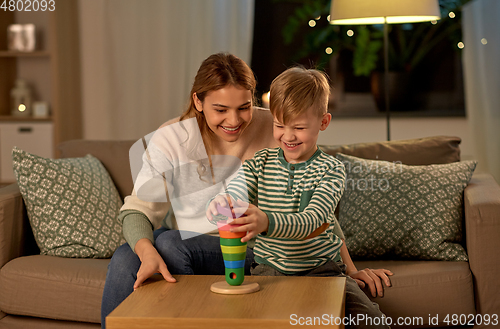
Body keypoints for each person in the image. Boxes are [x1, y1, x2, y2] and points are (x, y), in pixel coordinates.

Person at [101, 53, 391, 328]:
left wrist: (350, 269)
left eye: (244, 107)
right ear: (198, 101)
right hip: (202, 248)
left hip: (264, 249)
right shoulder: (172, 137)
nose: (234, 120)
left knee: (168, 243)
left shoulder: (278, 125)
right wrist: (147, 249)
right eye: (220, 109)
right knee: (134, 253)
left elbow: (313, 204)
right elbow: (139, 209)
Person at [207, 66, 392, 328]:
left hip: (324, 272)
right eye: (279, 125)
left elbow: (313, 220)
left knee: (374, 322)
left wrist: (267, 222)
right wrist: (219, 202)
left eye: (299, 127)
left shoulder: (331, 170)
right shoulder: (259, 163)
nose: (288, 136)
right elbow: (233, 193)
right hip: (269, 273)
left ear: (323, 122)